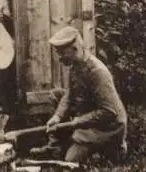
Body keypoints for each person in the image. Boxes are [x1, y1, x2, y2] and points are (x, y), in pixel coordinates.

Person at [29, 26, 128, 163]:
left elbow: (109, 112)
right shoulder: (75, 66)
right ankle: (54, 147)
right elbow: (69, 95)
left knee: (71, 160)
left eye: (62, 53)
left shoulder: (98, 72)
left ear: (75, 49)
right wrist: (57, 117)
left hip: (106, 128)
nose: (59, 58)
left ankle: (114, 148)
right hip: (87, 118)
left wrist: (77, 122)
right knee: (56, 95)